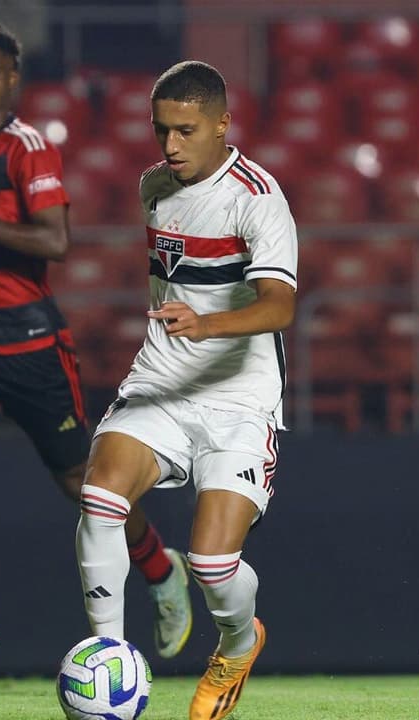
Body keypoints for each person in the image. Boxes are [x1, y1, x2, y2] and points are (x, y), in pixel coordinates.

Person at [0, 21, 191, 674]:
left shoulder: (29, 149)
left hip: (29, 343)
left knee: (81, 485)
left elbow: (53, 241)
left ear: (13, 80)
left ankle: (161, 570)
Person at [74, 61, 297, 720]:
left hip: (239, 397)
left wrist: (209, 323)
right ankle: (106, 657)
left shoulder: (257, 197)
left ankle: (237, 641)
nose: (170, 146)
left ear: (224, 124)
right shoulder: (154, 188)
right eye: (161, 129)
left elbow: (280, 306)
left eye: (187, 130)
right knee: (98, 492)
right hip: (162, 381)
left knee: (211, 563)